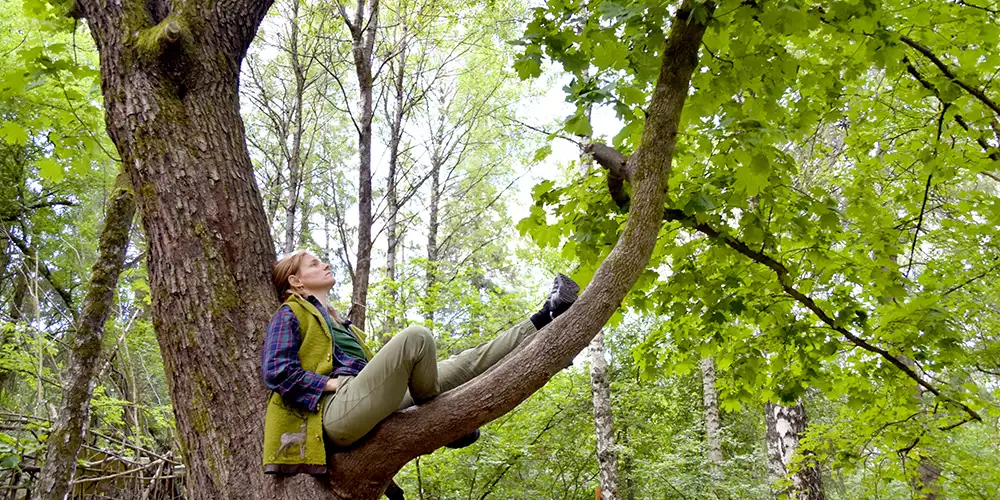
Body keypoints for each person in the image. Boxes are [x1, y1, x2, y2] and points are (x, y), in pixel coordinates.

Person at [261, 250, 579, 476]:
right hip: (334, 415)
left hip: (364, 401)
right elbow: (277, 372)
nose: (325, 264)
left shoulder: (345, 327)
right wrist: (334, 383)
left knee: (465, 362)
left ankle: (545, 318)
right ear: (296, 281)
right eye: (314, 264)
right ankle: (446, 420)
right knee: (416, 337)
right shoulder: (290, 313)